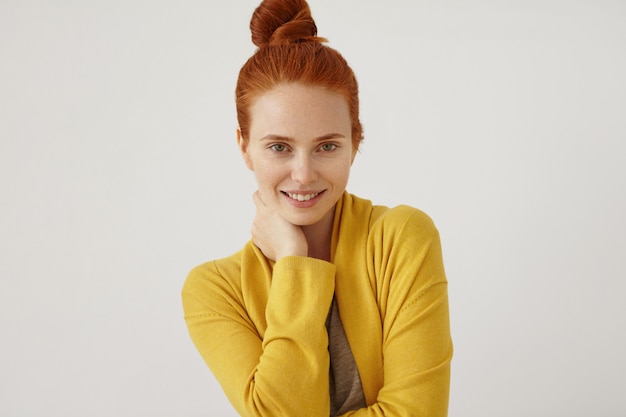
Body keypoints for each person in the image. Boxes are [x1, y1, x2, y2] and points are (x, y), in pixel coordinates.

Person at [181, 0, 453, 415]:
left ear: (355, 143)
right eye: (279, 147)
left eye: (327, 146)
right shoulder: (215, 291)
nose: (304, 174)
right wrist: (293, 262)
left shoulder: (402, 237)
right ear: (245, 148)